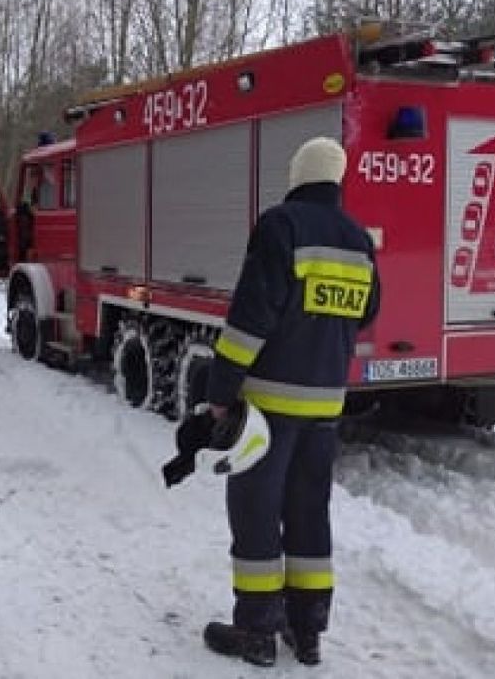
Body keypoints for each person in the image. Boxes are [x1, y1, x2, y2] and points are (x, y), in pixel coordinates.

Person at [201, 136, 380, 668]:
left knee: (255, 509)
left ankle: (256, 629)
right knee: (309, 513)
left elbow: (252, 317)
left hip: (268, 408)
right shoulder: (357, 240)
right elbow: (367, 310)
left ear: (298, 175)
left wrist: (220, 392)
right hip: (325, 408)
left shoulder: (282, 225)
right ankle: (307, 633)